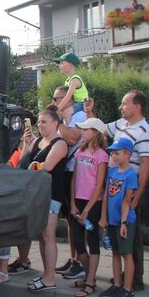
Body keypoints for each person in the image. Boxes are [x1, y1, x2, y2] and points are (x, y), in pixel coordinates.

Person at [85, 91, 149, 290]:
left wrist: (138, 194)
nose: (121, 107)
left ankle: (136, 277)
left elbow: (145, 163)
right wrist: (90, 113)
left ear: (137, 107)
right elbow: (100, 129)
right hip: (115, 183)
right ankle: (123, 276)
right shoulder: (121, 124)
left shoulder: (144, 130)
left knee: (132, 234)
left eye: (125, 104)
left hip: (129, 185)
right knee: (118, 232)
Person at [19, 108, 68, 292]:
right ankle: (45, 274)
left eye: (44, 122)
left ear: (55, 123)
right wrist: (26, 143)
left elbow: (47, 166)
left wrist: (34, 165)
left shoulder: (60, 143)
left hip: (51, 195)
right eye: (39, 122)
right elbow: (23, 160)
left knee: (48, 236)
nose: (40, 125)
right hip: (35, 195)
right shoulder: (37, 141)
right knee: (41, 236)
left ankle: (49, 278)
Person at [69, 118, 109, 297]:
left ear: (96, 132)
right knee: (77, 240)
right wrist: (72, 203)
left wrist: (87, 210)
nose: (82, 132)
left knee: (92, 240)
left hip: (93, 203)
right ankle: (88, 276)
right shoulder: (80, 151)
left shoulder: (102, 155)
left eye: (86, 130)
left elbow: (100, 185)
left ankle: (91, 282)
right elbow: (74, 178)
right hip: (78, 200)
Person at [54, 85, 88, 279]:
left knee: (75, 217)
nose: (56, 102)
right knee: (68, 217)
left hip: (77, 172)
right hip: (65, 171)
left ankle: (81, 261)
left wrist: (58, 122)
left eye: (58, 98)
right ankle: (73, 258)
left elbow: (73, 138)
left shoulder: (79, 116)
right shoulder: (66, 118)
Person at [99, 137, 139, 297]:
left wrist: (123, 223)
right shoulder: (112, 172)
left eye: (117, 153)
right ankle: (116, 284)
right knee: (115, 253)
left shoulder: (131, 174)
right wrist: (103, 217)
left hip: (125, 221)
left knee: (126, 253)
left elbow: (127, 200)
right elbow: (107, 196)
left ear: (127, 154)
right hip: (112, 219)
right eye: (112, 153)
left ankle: (128, 288)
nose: (113, 156)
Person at [54, 52, 88, 124]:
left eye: (62, 63)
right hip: (75, 103)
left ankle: (69, 129)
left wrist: (58, 109)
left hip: (82, 103)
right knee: (63, 111)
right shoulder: (68, 80)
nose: (59, 66)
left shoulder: (75, 80)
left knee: (66, 111)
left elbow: (68, 96)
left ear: (71, 65)